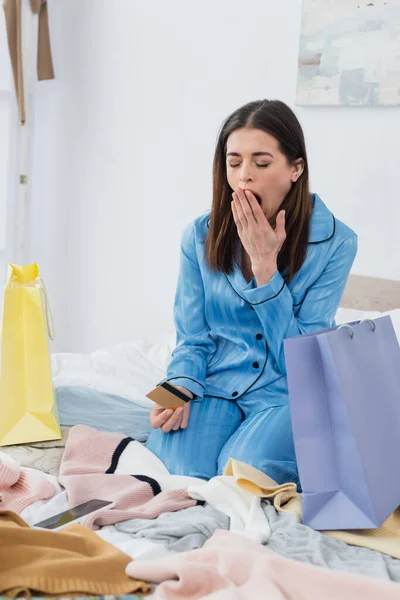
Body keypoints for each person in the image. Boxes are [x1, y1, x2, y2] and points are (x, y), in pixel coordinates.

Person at [145, 99, 358, 489]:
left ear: (296, 168)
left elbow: (304, 358)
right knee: (177, 472)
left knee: (241, 474)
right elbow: (193, 338)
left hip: (288, 391)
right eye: (234, 162)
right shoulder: (198, 235)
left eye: (261, 164)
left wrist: (265, 269)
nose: (244, 177)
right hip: (214, 385)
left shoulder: (337, 242)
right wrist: (177, 387)